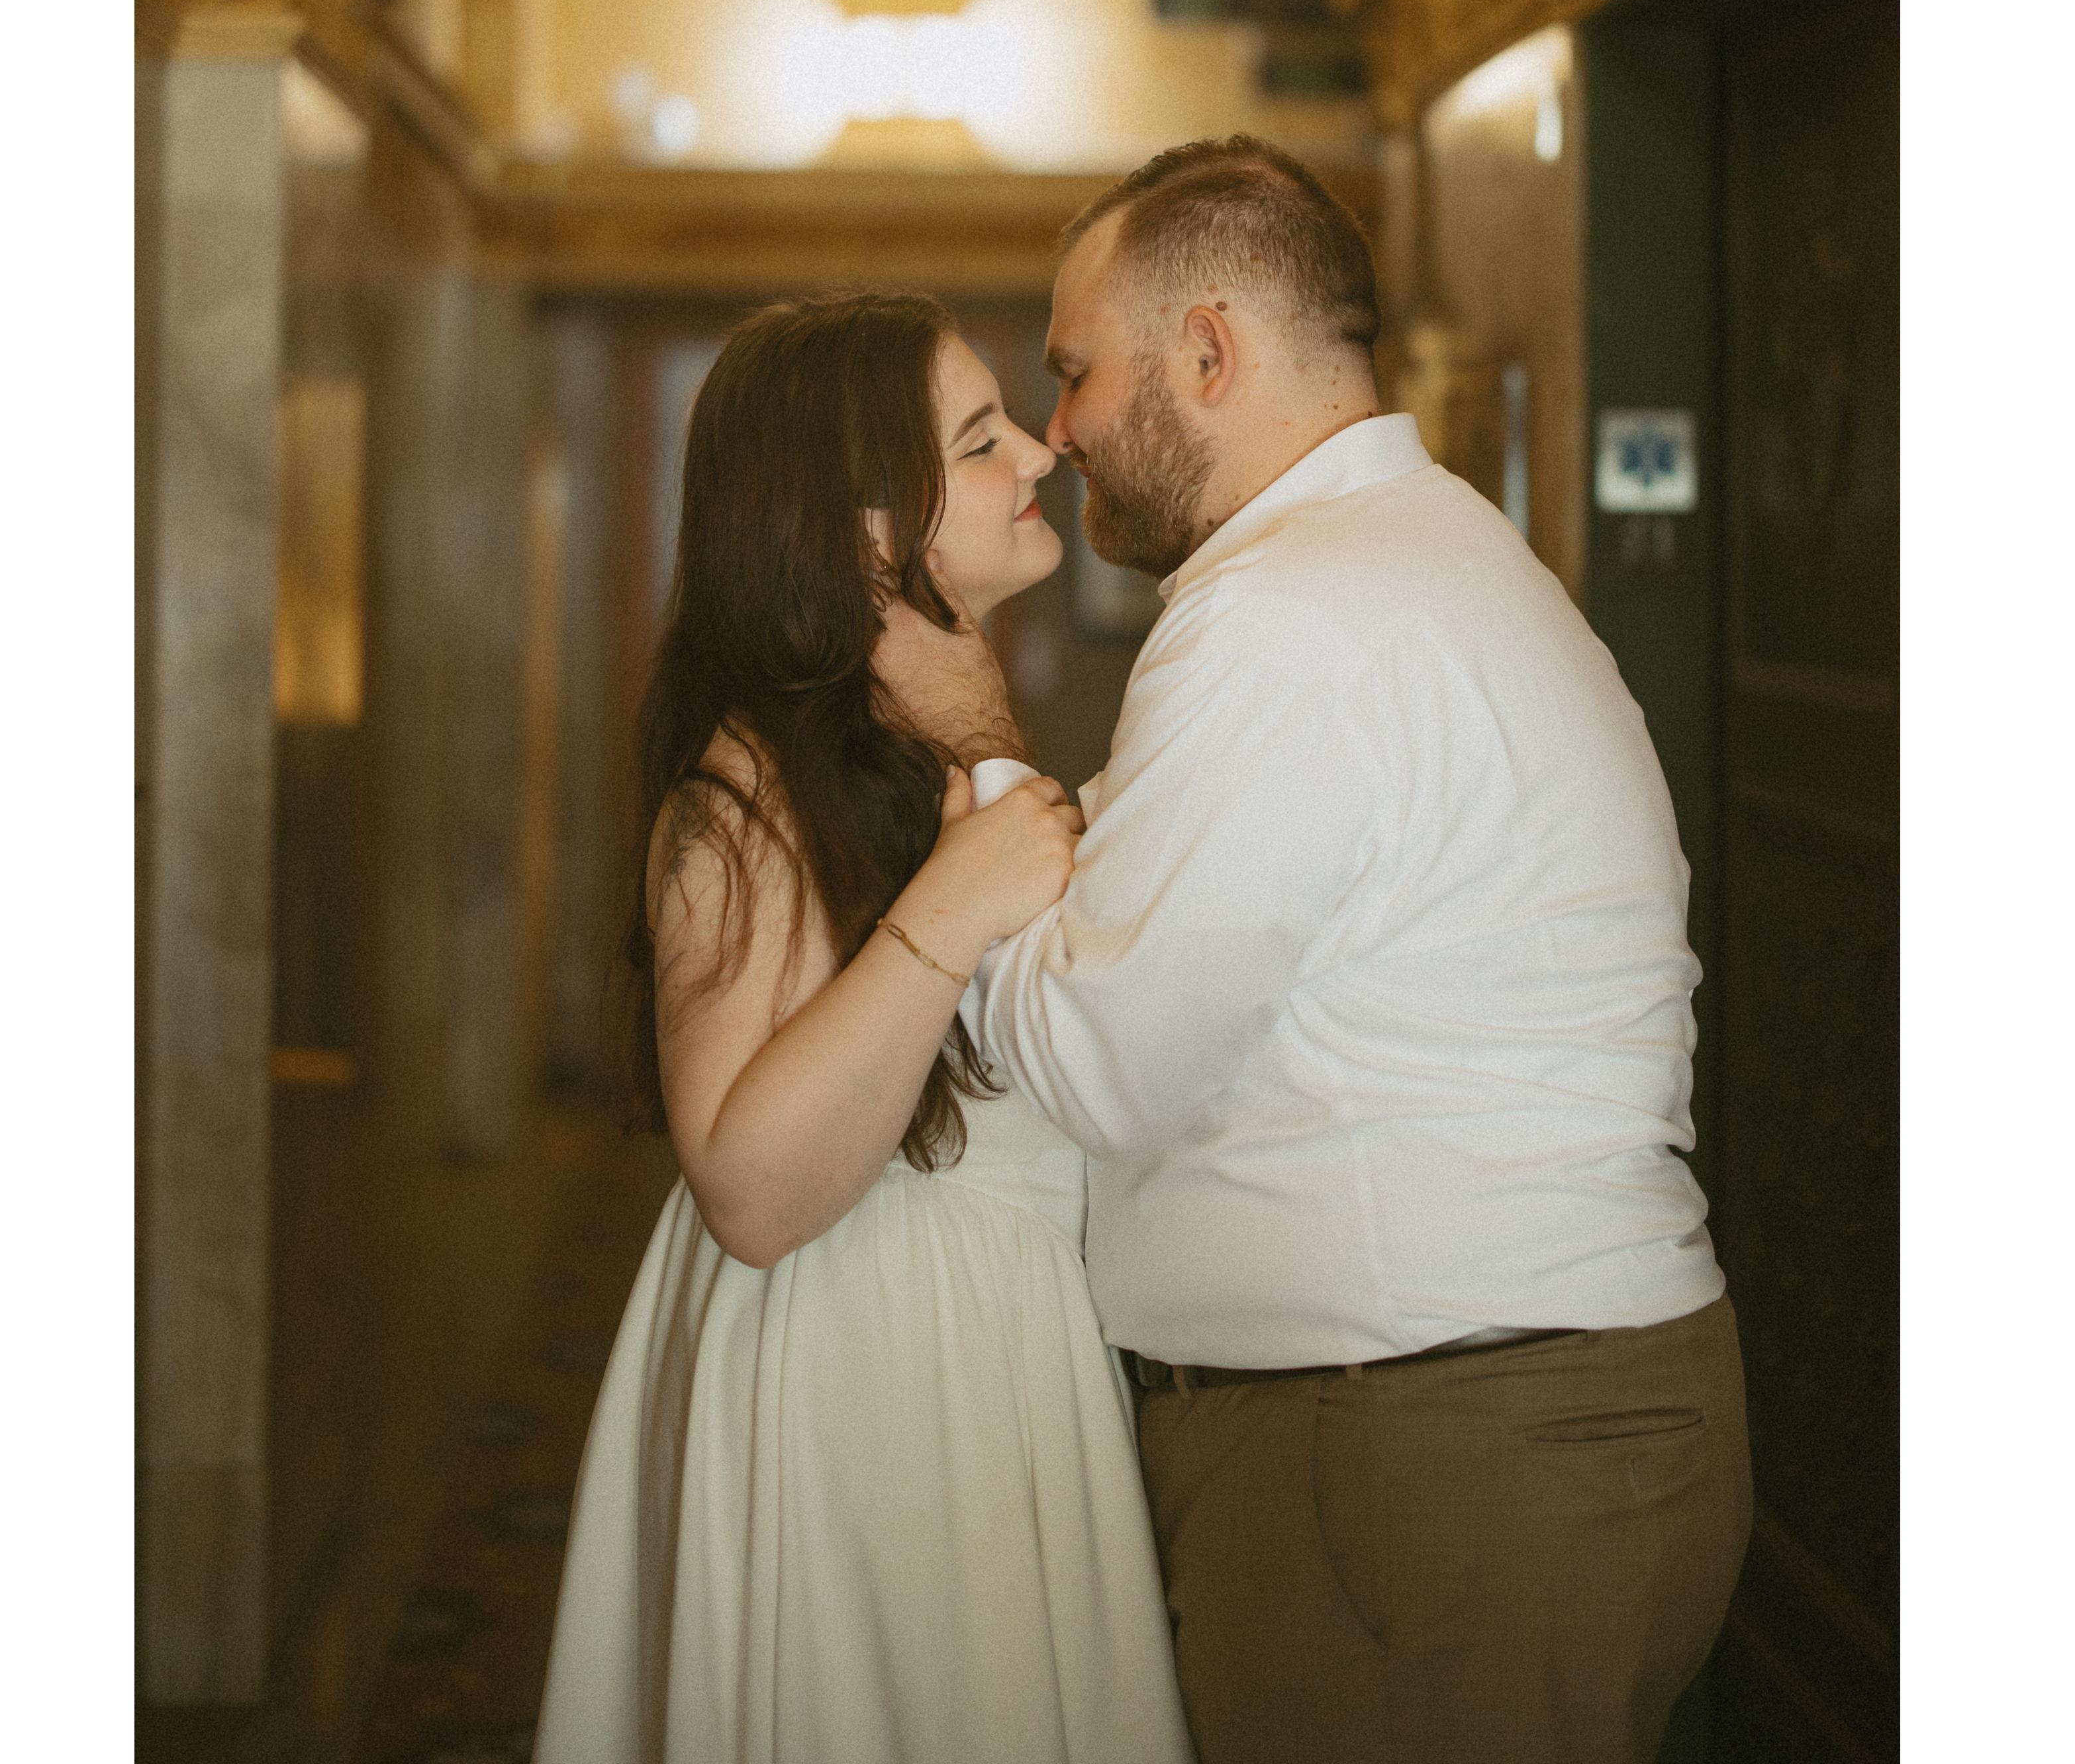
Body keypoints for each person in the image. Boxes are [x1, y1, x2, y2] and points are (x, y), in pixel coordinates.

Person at [885, 137, 1754, 1764]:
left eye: (1073, 371)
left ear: (1207, 350)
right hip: (1496, 1421)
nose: (1060, 433)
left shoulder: (1290, 613)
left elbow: (1099, 1066)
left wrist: (975, 745)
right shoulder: (1413, 555)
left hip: (1427, 1450)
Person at [531, 291, 1195, 1764]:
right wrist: (952, 902)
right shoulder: (748, 792)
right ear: (863, 535)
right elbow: (752, 1190)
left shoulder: (912, 749)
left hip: (977, 1349)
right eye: (980, 439)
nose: (1038, 453)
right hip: (866, 1367)